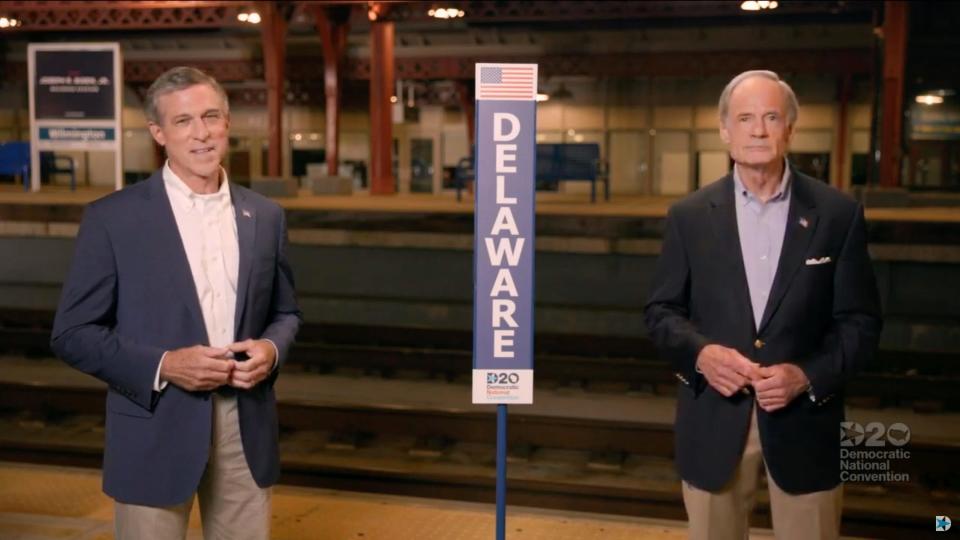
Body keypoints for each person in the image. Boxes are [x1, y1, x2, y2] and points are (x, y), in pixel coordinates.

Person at [51, 66, 301, 539]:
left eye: (211, 117)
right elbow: (72, 334)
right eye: (184, 121)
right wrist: (165, 365)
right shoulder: (114, 219)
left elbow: (285, 313)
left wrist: (270, 351)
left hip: (243, 423)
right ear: (159, 133)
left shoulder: (265, 217)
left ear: (227, 123)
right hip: (155, 423)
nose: (201, 133)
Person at [644, 70, 882, 540]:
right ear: (724, 130)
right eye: (745, 118)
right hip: (715, 421)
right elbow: (661, 312)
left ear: (790, 129)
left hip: (805, 423)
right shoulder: (689, 216)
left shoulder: (837, 215)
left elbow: (861, 322)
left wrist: (807, 375)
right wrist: (701, 355)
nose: (758, 130)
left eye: (771, 117)